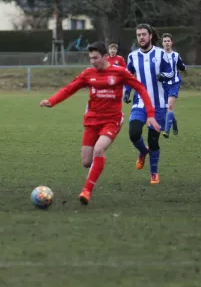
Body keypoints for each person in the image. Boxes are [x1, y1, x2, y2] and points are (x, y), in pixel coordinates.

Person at [40, 41, 160, 205]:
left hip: (112, 119)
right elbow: (70, 88)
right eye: (90, 58)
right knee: (86, 162)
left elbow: (140, 88)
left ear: (105, 57)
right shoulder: (88, 74)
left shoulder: (119, 73)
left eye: (95, 58)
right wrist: (52, 101)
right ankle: (96, 167)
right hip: (92, 120)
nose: (93, 61)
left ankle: (86, 191)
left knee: (99, 149)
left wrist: (151, 114)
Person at [123, 24, 174, 184]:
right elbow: (128, 76)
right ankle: (142, 151)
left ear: (150, 36)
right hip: (140, 103)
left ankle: (154, 172)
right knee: (134, 133)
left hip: (159, 105)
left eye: (144, 34)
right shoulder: (132, 56)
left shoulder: (161, 54)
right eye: (138, 35)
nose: (141, 37)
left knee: (153, 140)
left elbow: (171, 72)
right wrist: (126, 91)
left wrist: (163, 75)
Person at [160, 33, 187, 138]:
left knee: (170, 105)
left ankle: (166, 130)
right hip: (164, 85)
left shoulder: (176, 55)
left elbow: (181, 66)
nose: (167, 43)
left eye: (168, 41)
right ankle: (174, 122)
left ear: (171, 43)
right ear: (162, 43)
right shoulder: (159, 55)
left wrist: (184, 69)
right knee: (167, 108)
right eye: (165, 41)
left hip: (174, 83)